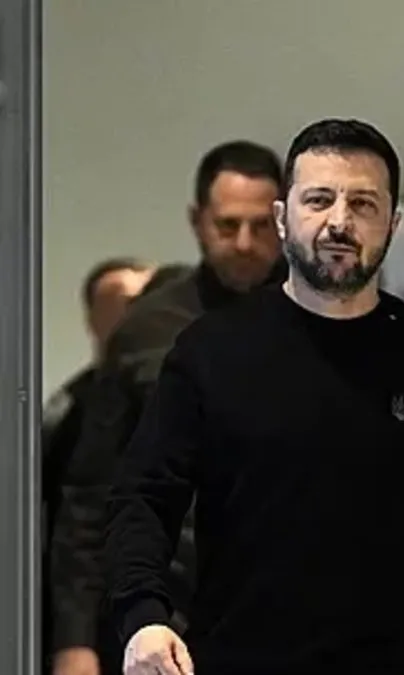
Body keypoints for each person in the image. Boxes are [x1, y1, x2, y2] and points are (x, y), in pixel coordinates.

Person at [110, 118, 404, 675]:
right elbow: (145, 496)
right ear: (283, 217)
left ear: (392, 223)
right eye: (319, 200)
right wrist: (142, 616)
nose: (339, 222)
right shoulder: (212, 351)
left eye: (363, 204)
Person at [50, 141, 285, 675]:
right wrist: (74, 643)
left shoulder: (326, 325)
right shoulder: (145, 330)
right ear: (197, 222)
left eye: (260, 226)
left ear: (283, 221)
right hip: (168, 615)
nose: (244, 243)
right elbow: (90, 495)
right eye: (227, 226)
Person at [42, 257, 153, 673]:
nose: (136, 313)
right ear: (94, 317)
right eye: (123, 302)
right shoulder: (69, 411)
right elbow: (67, 526)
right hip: (93, 614)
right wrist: (73, 637)